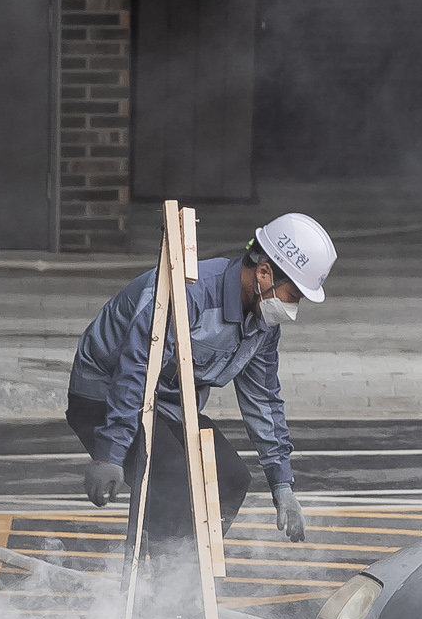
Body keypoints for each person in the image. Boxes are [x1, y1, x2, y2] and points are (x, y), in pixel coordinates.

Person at [66, 212, 337, 550]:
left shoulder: (262, 325)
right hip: (105, 394)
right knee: (173, 479)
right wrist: (111, 451)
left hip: (169, 405)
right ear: (265, 273)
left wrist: (282, 485)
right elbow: (135, 367)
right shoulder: (189, 294)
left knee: (230, 480)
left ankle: (187, 576)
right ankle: (164, 584)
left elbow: (264, 399)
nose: (293, 308)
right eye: (293, 296)